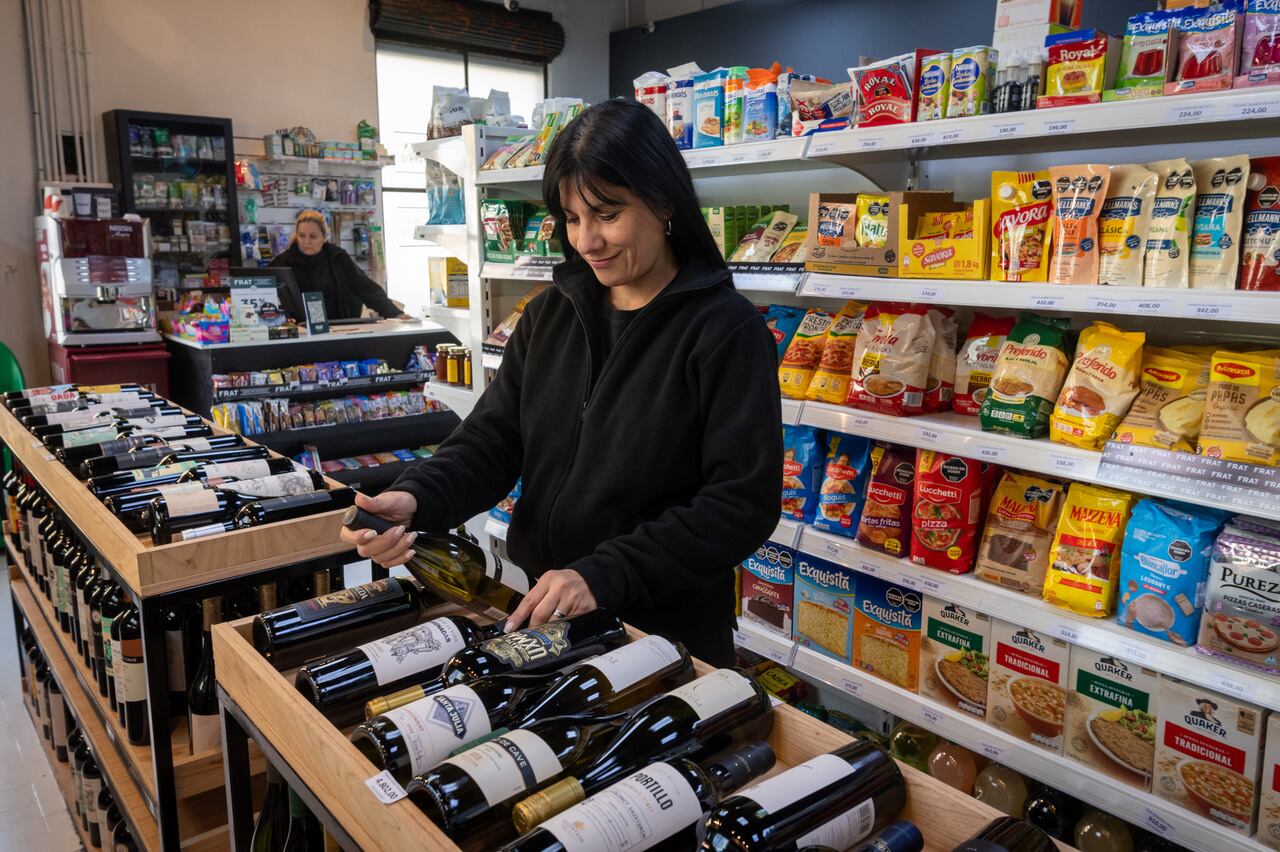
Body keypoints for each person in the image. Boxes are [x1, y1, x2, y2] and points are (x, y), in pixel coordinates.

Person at [340, 100, 782, 665]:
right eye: (573, 219)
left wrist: (606, 574)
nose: (587, 241)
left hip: (662, 639)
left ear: (664, 200)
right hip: (544, 613)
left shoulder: (725, 332)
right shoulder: (553, 313)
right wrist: (418, 497)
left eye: (607, 214)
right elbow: (493, 441)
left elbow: (740, 503)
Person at [271, 210, 408, 320]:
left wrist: (396, 313)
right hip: (297, 332)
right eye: (301, 236)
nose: (306, 241)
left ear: (324, 237)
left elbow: (366, 288)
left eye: (313, 236)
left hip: (339, 328)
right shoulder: (282, 262)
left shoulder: (338, 258)